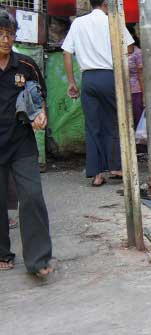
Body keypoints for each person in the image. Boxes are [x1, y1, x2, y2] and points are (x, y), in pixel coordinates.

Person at [0, 9, 53, 276]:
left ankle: (39, 259)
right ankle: (2, 253)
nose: (5, 39)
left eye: (9, 34)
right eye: (0, 34)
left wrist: (40, 114)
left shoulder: (26, 65)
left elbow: (39, 95)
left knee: (32, 197)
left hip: (21, 141)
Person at [61, 0, 135, 187]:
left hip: (88, 80)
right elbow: (129, 47)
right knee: (116, 122)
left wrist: (71, 82)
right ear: (105, 3)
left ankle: (96, 174)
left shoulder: (78, 23)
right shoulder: (113, 21)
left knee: (92, 126)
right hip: (110, 77)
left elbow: (66, 53)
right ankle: (116, 167)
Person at [126, 24, 144, 129]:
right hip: (122, 91)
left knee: (138, 120)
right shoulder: (118, 52)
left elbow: (141, 75)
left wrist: (144, 96)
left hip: (136, 92)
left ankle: (139, 145)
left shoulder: (138, 53)